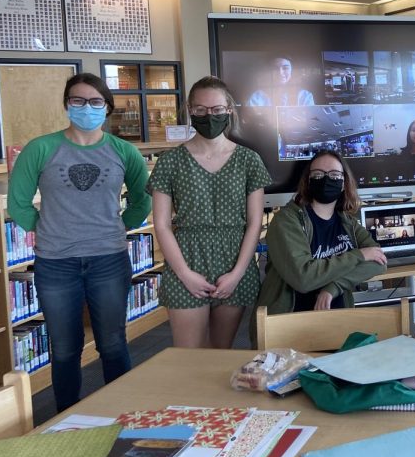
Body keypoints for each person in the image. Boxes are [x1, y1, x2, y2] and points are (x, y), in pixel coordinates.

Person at [8, 73, 151, 411]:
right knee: (64, 349)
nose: (87, 107)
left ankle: (121, 415)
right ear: (66, 104)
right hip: (56, 264)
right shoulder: (41, 148)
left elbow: (143, 200)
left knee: (114, 343)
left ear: (107, 107)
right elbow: (18, 203)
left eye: (95, 101)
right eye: (78, 100)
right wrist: (46, 232)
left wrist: (119, 228)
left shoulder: (123, 151)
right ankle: (66, 418)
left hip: (109, 260)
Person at [148, 76, 271, 349]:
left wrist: (237, 273)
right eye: (200, 110)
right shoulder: (170, 162)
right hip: (186, 260)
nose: (209, 116)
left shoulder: (249, 160)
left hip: (234, 262)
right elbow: (162, 224)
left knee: (220, 354)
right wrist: (184, 273)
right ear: (190, 111)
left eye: (216, 110)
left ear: (229, 110)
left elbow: (254, 224)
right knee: (190, 355)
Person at [255, 150, 387, 320]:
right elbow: (304, 279)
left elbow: (379, 262)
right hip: (289, 325)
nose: (326, 180)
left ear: (343, 183)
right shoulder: (286, 221)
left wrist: (333, 288)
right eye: (317, 175)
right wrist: (358, 255)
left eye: (334, 175)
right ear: (308, 182)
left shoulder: (347, 222)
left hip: (336, 322)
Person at [246, 57, 315, 107]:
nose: (280, 73)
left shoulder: (305, 96)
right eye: (275, 68)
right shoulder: (257, 97)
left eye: (285, 68)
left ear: (292, 71)